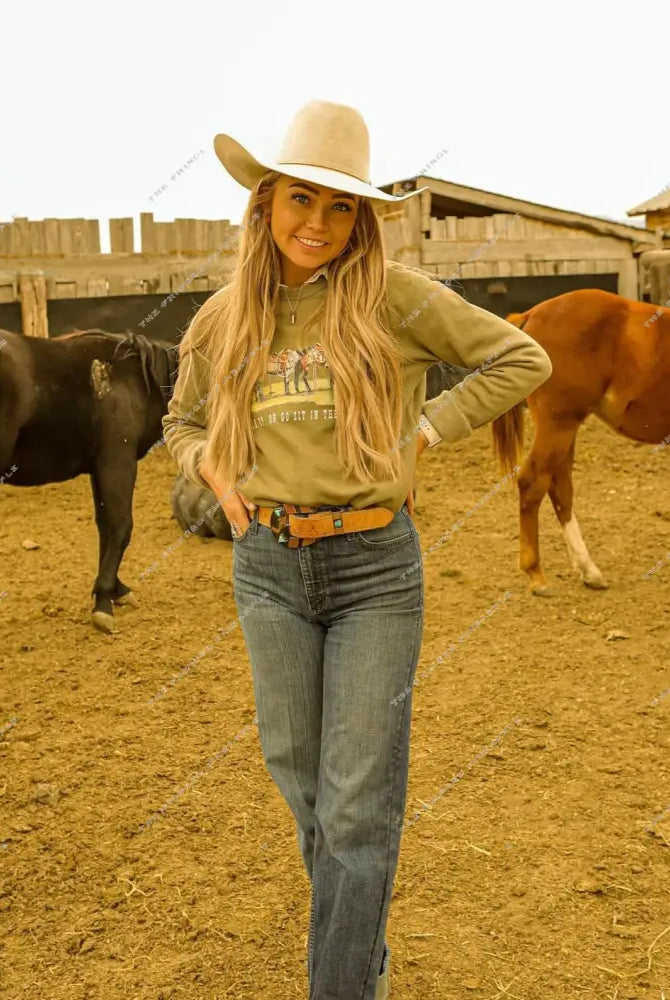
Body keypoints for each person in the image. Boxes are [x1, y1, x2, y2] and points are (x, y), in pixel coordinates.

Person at [162, 99, 552, 1000]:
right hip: (268, 568)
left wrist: (423, 432)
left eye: (343, 208)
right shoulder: (224, 317)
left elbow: (519, 360)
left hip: (376, 569)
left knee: (356, 807)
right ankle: (362, 953)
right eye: (303, 200)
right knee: (306, 786)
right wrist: (215, 477)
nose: (321, 225)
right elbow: (181, 423)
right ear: (265, 204)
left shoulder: (396, 298)